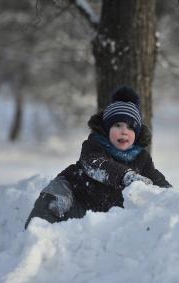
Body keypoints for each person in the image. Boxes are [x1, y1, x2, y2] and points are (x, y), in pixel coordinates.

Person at [25, 86, 171, 229]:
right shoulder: (94, 145)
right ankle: (36, 234)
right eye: (118, 125)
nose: (124, 132)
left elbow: (157, 180)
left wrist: (172, 197)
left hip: (104, 217)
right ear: (107, 129)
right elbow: (95, 164)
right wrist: (126, 176)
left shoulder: (142, 157)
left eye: (131, 127)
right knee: (53, 197)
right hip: (77, 201)